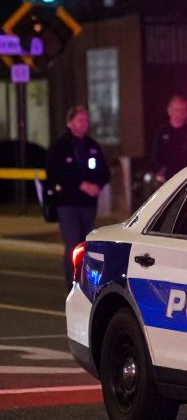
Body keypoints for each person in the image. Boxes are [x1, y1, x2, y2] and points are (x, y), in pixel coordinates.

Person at [45, 105, 110, 291]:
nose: (84, 124)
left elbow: (104, 172)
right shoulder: (60, 147)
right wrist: (81, 185)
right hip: (68, 204)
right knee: (73, 244)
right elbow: (54, 174)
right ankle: (72, 284)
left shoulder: (92, 146)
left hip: (88, 204)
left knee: (87, 245)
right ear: (70, 122)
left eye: (86, 120)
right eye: (80, 120)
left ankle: (86, 284)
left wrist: (97, 186)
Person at [151, 95, 187, 184]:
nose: (180, 113)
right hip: (166, 179)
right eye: (176, 110)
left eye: (183, 110)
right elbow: (155, 155)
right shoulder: (162, 131)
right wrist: (160, 171)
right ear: (169, 111)